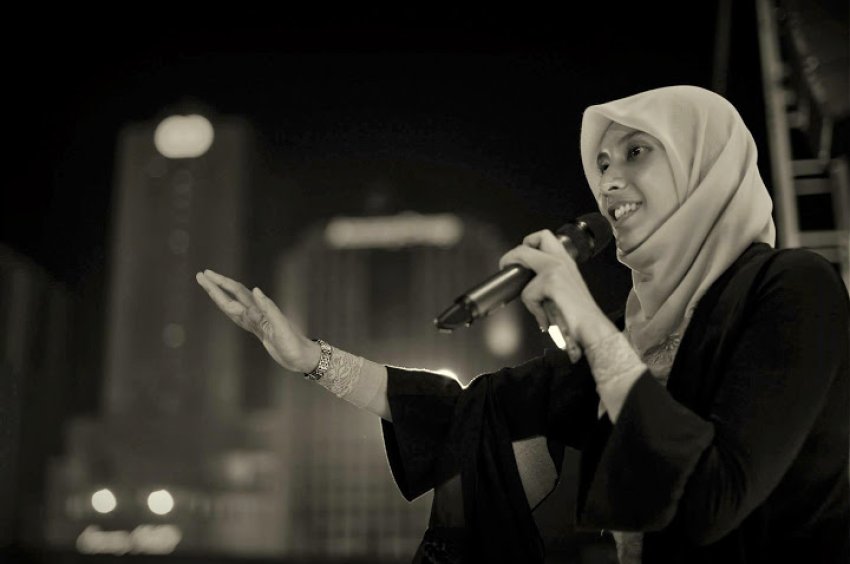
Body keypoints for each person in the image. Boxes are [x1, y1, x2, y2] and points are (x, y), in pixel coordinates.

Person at [195, 85, 850, 564]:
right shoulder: (640, 333)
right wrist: (307, 357)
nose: (609, 181)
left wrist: (590, 330)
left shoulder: (793, 287)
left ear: (704, 164)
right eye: (601, 164)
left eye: (636, 152)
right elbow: (471, 412)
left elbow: (714, 497)